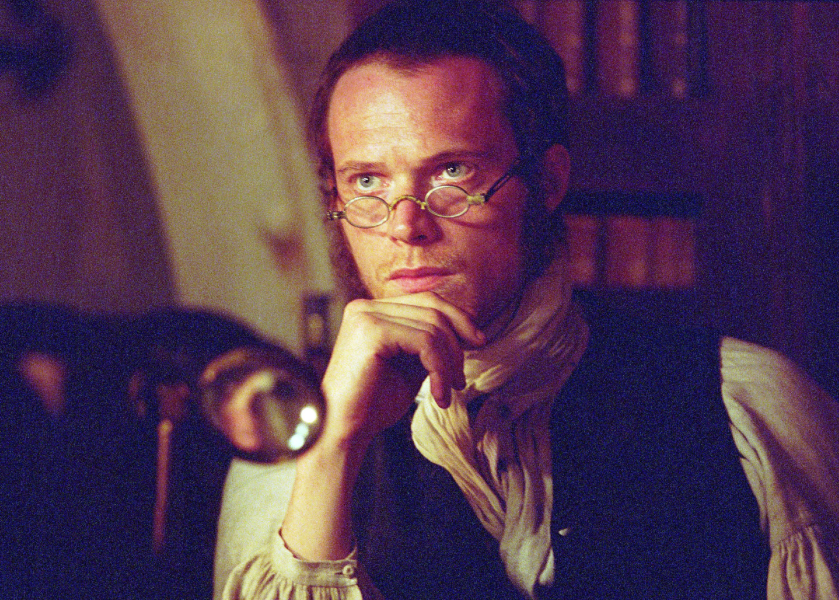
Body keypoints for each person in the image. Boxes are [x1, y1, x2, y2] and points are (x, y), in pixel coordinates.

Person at [221, 1, 839, 598]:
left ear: (547, 181)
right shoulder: (284, 455)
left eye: (452, 172)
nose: (405, 225)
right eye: (367, 181)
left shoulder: (748, 408)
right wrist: (334, 445)